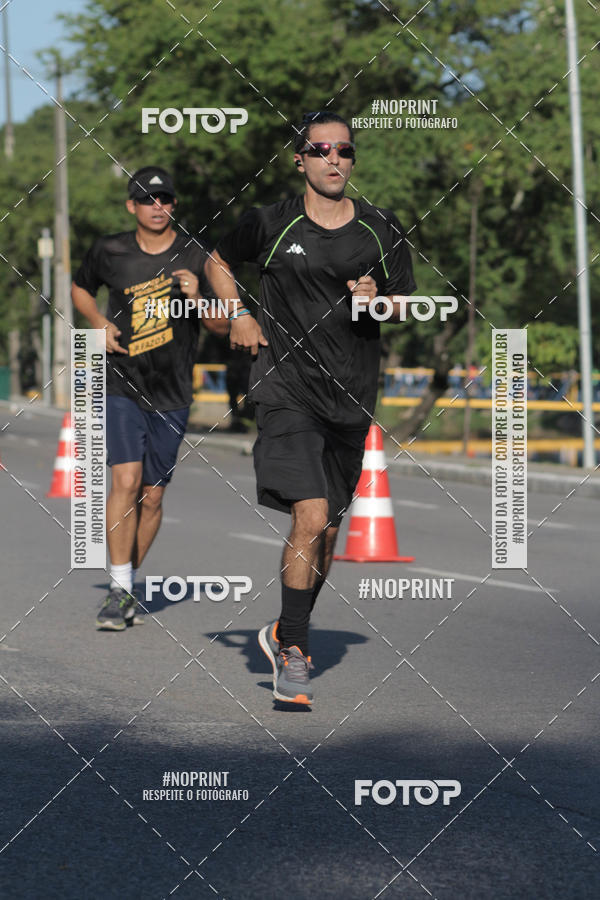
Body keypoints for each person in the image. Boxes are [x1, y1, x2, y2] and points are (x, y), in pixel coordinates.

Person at [205, 112, 417, 704]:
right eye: (321, 149)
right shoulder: (269, 222)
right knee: (312, 511)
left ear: (352, 160)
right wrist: (240, 313)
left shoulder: (379, 229)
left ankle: (281, 630)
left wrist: (379, 303)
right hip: (285, 388)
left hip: (349, 397)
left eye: (344, 151)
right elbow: (217, 262)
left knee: (326, 530)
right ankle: (294, 650)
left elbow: (406, 303)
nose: (334, 159)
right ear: (299, 159)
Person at [72, 165, 226, 631]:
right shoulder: (110, 249)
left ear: (172, 205)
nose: (156, 207)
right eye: (146, 200)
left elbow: (223, 325)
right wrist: (96, 322)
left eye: (163, 199)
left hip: (173, 391)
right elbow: (81, 288)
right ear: (131, 206)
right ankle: (119, 592)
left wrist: (198, 297)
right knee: (125, 480)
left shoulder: (197, 255)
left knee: (152, 497)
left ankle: (127, 580)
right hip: (122, 383)